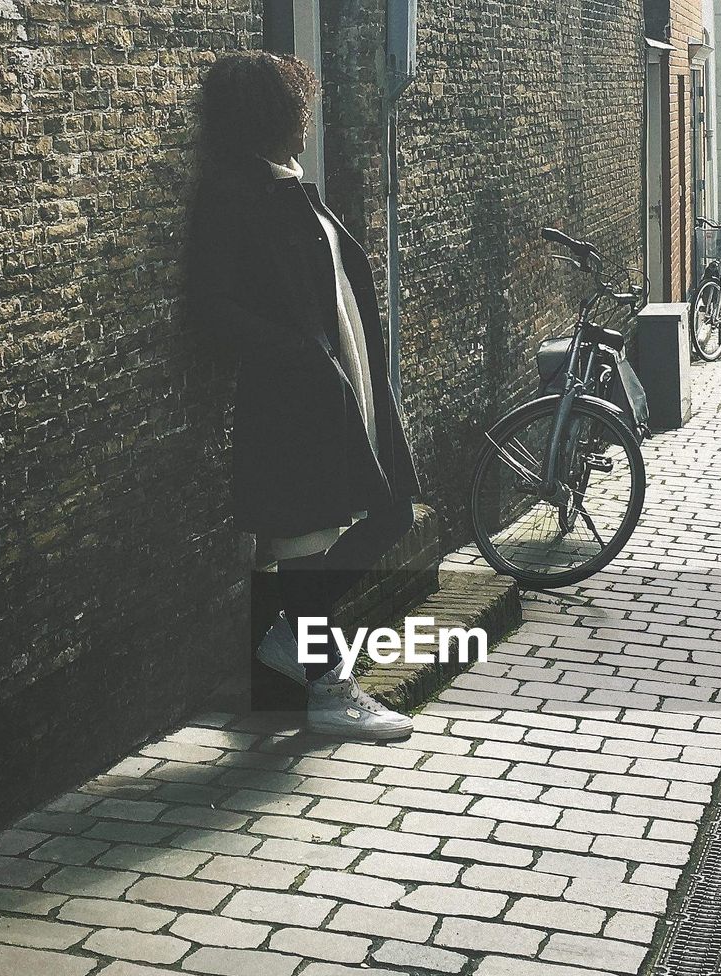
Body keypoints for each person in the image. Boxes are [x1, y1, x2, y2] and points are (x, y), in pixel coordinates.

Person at [186, 51, 421, 741]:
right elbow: (211, 307)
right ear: (271, 114)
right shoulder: (233, 195)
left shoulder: (290, 186)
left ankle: (297, 643)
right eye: (299, 106)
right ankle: (326, 688)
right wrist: (300, 358)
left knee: (391, 512)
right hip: (295, 397)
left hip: (345, 385)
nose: (308, 121)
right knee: (306, 544)